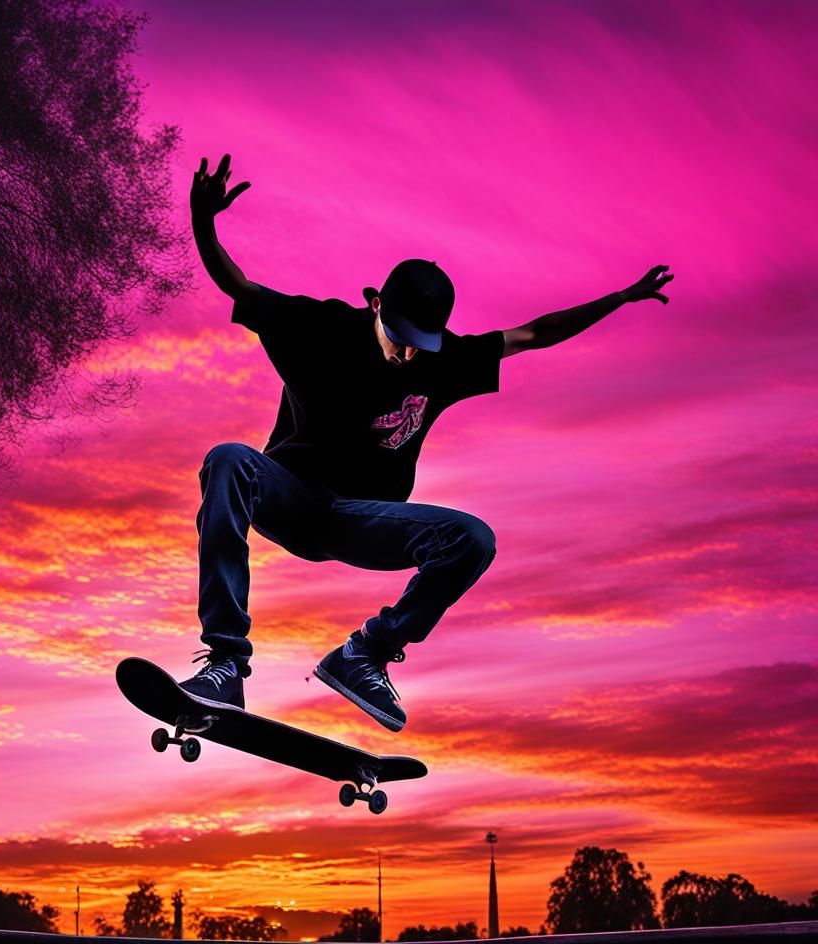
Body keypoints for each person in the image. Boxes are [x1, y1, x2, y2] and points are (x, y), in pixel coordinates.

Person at [180, 153, 673, 732]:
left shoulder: (446, 360)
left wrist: (619, 298)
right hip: (290, 498)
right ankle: (225, 664)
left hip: (361, 518)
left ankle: (365, 654)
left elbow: (535, 333)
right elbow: (238, 285)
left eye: (422, 342)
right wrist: (203, 222)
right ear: (375, 302)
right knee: (229, 461)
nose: (408, 352)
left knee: (472, 538)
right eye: (399, 337)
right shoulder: (320, 328)